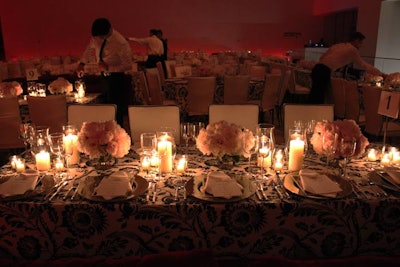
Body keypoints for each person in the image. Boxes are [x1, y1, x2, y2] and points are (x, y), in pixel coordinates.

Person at [77, 18, 133, 126]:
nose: (100, 39)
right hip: (104, 77)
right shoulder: (97, 37)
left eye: (103, 36)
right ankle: (104, 133)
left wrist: (109, 68)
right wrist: (82, 63)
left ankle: (117, 135)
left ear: (110, 29)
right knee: (105, 108)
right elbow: (89, 49)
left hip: (116, 79)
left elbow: (128, 65)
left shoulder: (121, 42)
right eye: (98, 37)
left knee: (116, 110)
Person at [309, 32, 386, 104]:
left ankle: (309, 114)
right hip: (324, 71)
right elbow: (364, 65)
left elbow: (322, 57)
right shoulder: (352, 50)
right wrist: (381, 74)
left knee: (315, 94)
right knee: (318, 97)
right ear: (356, 40)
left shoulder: (339, 46)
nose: (361, 45)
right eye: (360, 43)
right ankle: (315, 115)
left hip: (317, 68)